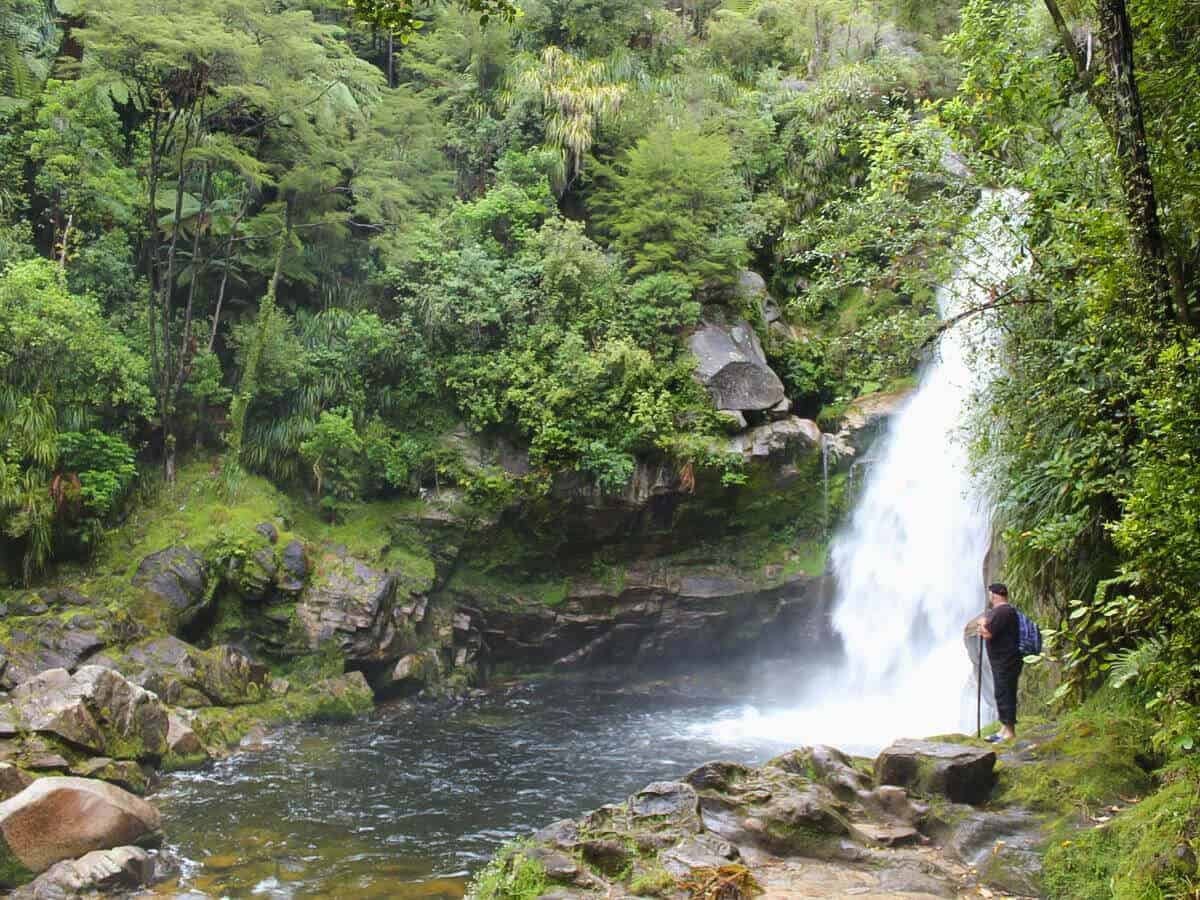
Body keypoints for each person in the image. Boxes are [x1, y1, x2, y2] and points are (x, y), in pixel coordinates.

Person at [977, 582, 1021, 742]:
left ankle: (1009, 732)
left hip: (1006, 660)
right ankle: (1004, 729)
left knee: (1005, 693)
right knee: (1001, 692)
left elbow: (987, 633)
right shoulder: (1004, 611)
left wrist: (982, 622)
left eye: (989, 594)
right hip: (1004, 660)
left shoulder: (1003, 612)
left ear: (993, 595)